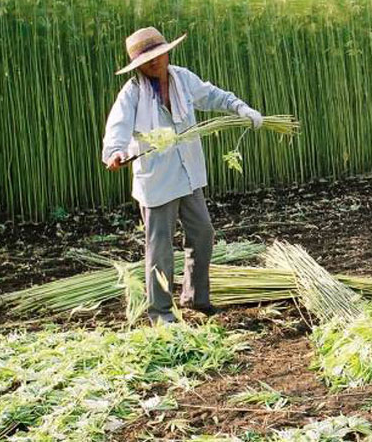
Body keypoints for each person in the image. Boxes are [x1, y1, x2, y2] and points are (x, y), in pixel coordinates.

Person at [101, 26, 263, 325]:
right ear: (137, 66)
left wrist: (240, 108)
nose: (154, 62)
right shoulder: (133, 92)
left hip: (188, 173)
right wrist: (115, 152)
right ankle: (161, 312)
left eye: (158, 54)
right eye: (146, 59)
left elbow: (212, 96)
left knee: (203, 233)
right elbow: (117, 127)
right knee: (160, 247)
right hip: (157, 180)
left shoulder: (182, 78)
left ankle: (196, 298)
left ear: (167, 53)